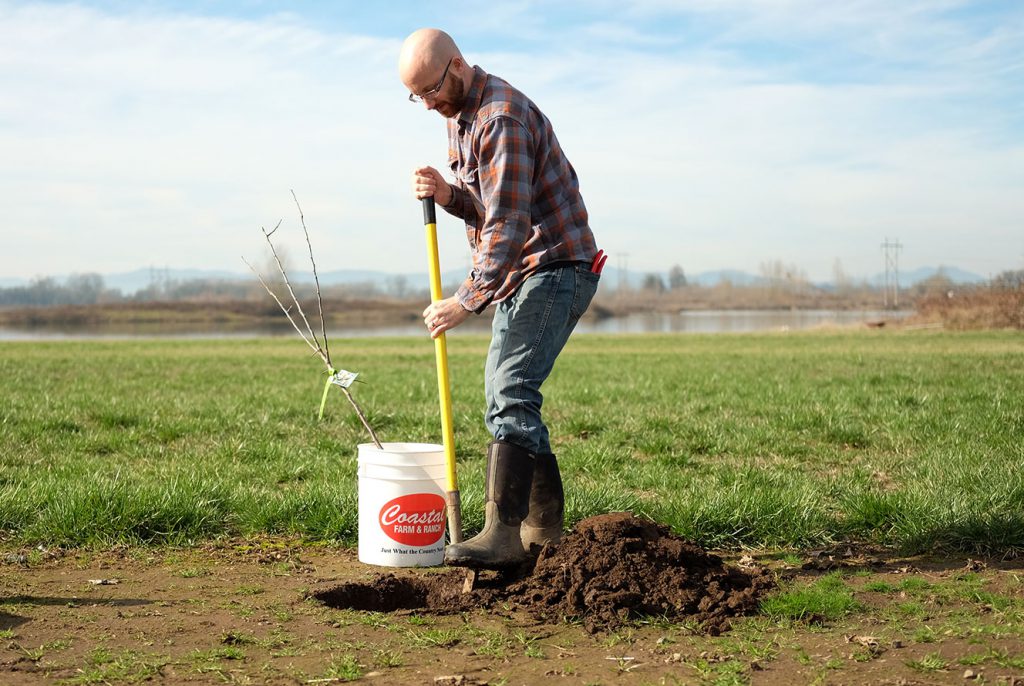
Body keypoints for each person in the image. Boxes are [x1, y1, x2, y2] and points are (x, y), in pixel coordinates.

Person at [399, 28, 600, 568]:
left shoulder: (500, 118)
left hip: (554, 266)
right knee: (507, 392)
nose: (428, 104)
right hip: (524, 272)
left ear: (458, 66)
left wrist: (464, 301)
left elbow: (510, 225)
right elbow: (489, 208)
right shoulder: (460, 119)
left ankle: (503, 534)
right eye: (416, 96)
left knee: (509, 387)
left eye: (432, 90)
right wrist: (448, 195)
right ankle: (543, 532)